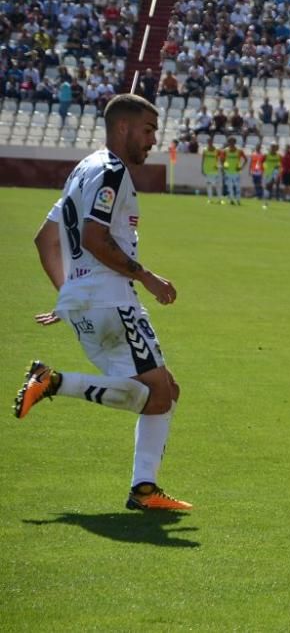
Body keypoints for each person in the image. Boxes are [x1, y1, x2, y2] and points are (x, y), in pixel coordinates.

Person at [14, 94, 191, 511]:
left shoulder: (82, 170)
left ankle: (145, 489)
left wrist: (69, 293)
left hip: (83, 304)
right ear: (124, 127)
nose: (152, 140)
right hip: (112, 300)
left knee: (163, 392)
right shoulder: (111, 172)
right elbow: (94, 238)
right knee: (159, 394)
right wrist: (145, 276)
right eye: (148, 130)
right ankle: (53, 381)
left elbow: (44, 240)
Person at [221, 137, 247, 206]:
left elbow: (245, 159)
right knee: (230, 187)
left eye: (232, 142)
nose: (231, 143)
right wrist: (224, 166)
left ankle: (238, 200)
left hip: (236, 172)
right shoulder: (225, 151)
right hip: (228, 172)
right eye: (230, 142)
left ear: (235, 142)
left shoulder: (239, 151)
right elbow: (221, 160)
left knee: (237, 186)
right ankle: (231, 200)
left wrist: (241, 167)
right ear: (228, 142)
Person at [201, 139, 223, 203]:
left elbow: (221, 158)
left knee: (217, 185)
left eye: (210, 142)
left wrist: (219, 166)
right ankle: (210, 199)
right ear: (207, 143)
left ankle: (220, 199)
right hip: (207, 169)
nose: (209, 143)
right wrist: (202, 169)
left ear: (212, 142)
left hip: (215, 169)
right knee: (208, 184)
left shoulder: (217, 150)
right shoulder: (205, 150)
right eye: (208, 142)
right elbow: (203, 160)